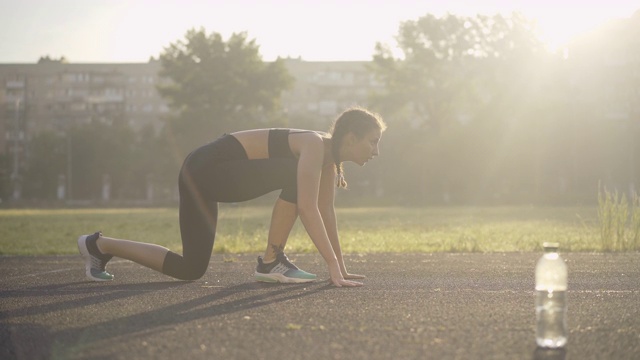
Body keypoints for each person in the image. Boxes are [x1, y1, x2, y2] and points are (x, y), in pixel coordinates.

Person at [77, 107, 386, 287]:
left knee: (191, 269)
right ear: (351, 138)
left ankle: (99, 245)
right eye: (373, 142)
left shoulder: (328, 160)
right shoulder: (315, 146)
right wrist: (331, 264)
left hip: (206, 176)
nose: (376, 151)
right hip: (207, 168)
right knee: (293, 172)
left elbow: (325, 212)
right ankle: (270, 261)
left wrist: (340, 267)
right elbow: (306, 208)